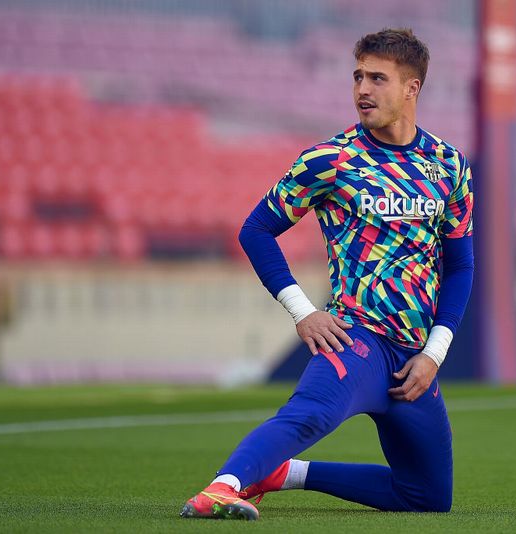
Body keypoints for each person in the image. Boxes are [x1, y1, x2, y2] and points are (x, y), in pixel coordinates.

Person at [181, 27, 474, 520]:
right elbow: (256, 230)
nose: (362, 89)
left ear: (412, 88)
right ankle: (220, 490)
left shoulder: (449, 165)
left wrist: (434, 353)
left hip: (413, 358)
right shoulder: (331, 160)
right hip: (356, 338)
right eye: (357, 77)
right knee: (309, 414)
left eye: (377, 78)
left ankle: (282, 474)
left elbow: (461, 265)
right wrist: (303, 312)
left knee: (427, 498)